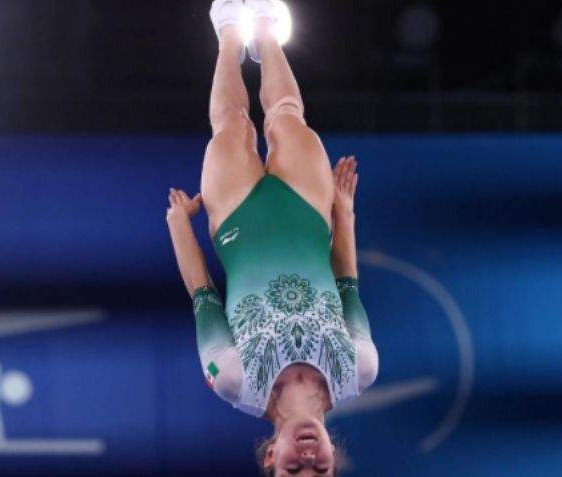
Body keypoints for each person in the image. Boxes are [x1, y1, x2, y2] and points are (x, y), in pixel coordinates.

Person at [165, 1, 379, 475]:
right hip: (307, 215)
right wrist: (344, 214)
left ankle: (226, 32)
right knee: (286, 116)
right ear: (332, 457)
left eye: (292, 472)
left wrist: (179, 226)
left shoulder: (233, 381)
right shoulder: (359, 369)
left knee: (233, 126)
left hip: (239, 223)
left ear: (269, 457)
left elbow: (203, 297)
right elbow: (347, 285)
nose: (307, 459)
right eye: (320, 471)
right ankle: (263, 28)